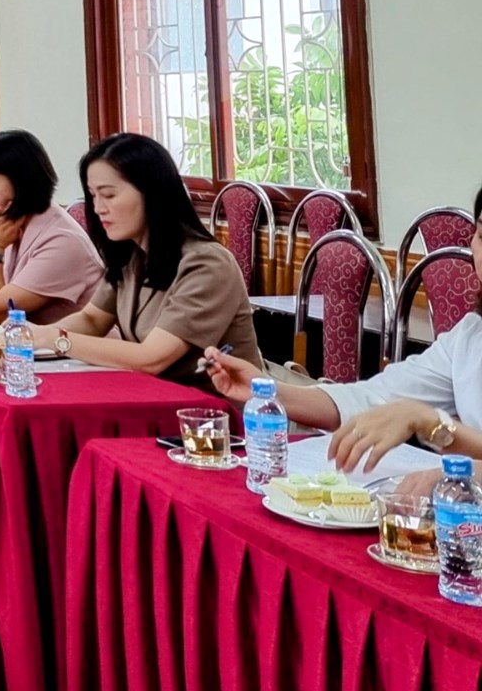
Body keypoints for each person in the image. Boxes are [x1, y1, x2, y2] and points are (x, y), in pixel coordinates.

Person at [204, 181, 482, 485]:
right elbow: (373, 398)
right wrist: (268, 390)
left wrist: (433, 428)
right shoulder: (470, 336)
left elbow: (417, 416)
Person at [27, 132, 261, 385]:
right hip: (155, 395)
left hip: (213, 404)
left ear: (151, 193)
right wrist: (30, 336)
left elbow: (151, 358)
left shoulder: (207, 264)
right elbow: (92, 319)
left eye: (109, 195)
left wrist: (56, 339)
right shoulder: (132, 255)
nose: (98, 208)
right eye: (93, 195)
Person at [0, 129, 104, 324]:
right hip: (30, 341)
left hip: (69, 344)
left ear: (22, 182)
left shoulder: (61, 240)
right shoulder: (10, 223)